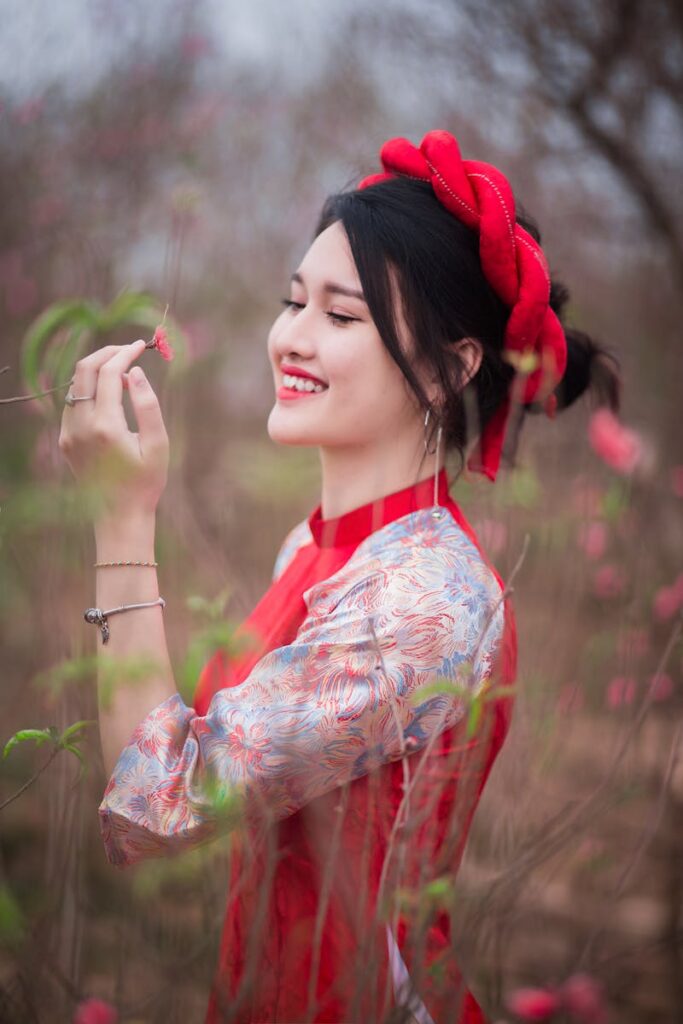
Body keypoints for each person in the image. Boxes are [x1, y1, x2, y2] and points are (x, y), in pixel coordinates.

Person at [58, 130, 621, 1023]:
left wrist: (122, 515)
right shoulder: (320, 548)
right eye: (293, 302)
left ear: (450, 366)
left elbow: (161, 802)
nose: (292, 338)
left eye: (341, 315)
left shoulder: (419, 597)